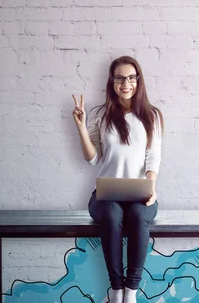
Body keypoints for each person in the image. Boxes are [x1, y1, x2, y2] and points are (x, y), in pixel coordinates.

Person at [71, 56, 164, 303]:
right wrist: (81, 127)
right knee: (112, 215)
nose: (126, 83)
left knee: (138, 216)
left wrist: (151, 186)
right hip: (106, 196)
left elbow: (153, 156)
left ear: (138, 80)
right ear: (112, 81)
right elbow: (92, 159)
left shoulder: (151, 116)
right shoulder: (101, 115)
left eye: (131, 77)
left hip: (140, 193)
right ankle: (116, 290)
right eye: (120, 77)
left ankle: (131, 292)